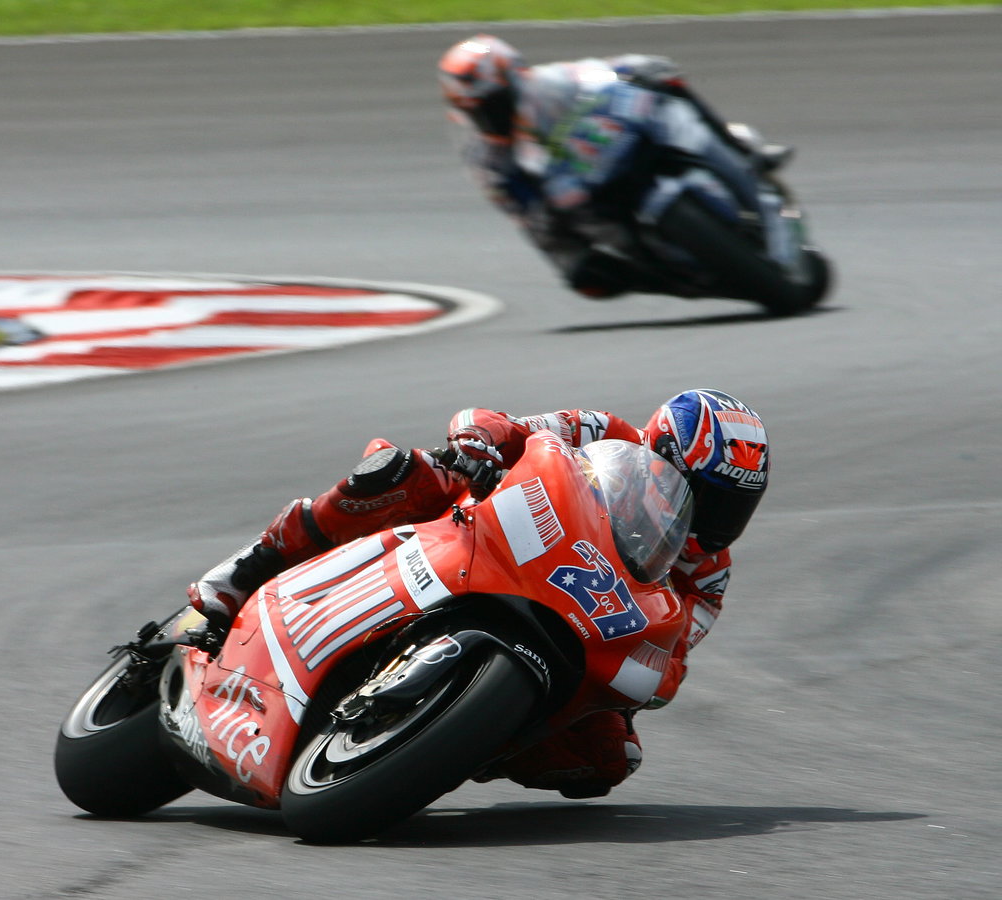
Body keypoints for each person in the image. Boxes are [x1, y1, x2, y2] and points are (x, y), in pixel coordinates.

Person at [187, 389, 770, 798]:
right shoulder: (605, 431)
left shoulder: (709, 574)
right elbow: (504, 422)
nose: (716, 521)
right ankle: (251, 566)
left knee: (607, 760)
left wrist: (650, 673)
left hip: (577, 613)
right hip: (491, 530)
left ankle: (452, 742)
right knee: (405, 472)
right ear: (662, 454)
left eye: (735, 507)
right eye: (709, 497)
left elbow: (672, 650)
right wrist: (479, 440)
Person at [436, 34, 791, 299]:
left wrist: (634, 68)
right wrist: (570, 262)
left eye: (493, 104)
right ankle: (671, 274)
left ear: (516, 79)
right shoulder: (484, 158)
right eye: (476, 111)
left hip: (618, 144)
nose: (488, 117)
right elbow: (524, 218)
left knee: (668, 87)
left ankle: (743, 150)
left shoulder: (552, 83)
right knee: (596, 275)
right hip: (580, 194)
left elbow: (603, 72)